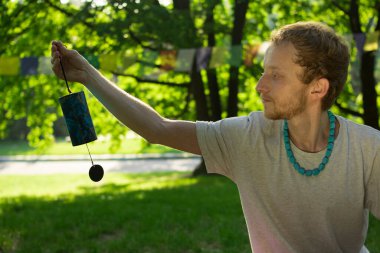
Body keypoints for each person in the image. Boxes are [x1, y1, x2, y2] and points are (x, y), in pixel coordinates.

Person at [51, 21, 380, 252]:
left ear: (317, 88)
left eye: (276, 76)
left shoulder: (368, 148)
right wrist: (87, 75)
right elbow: (157, 128)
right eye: (263, 72)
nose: (259, 86)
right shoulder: (247, 137)